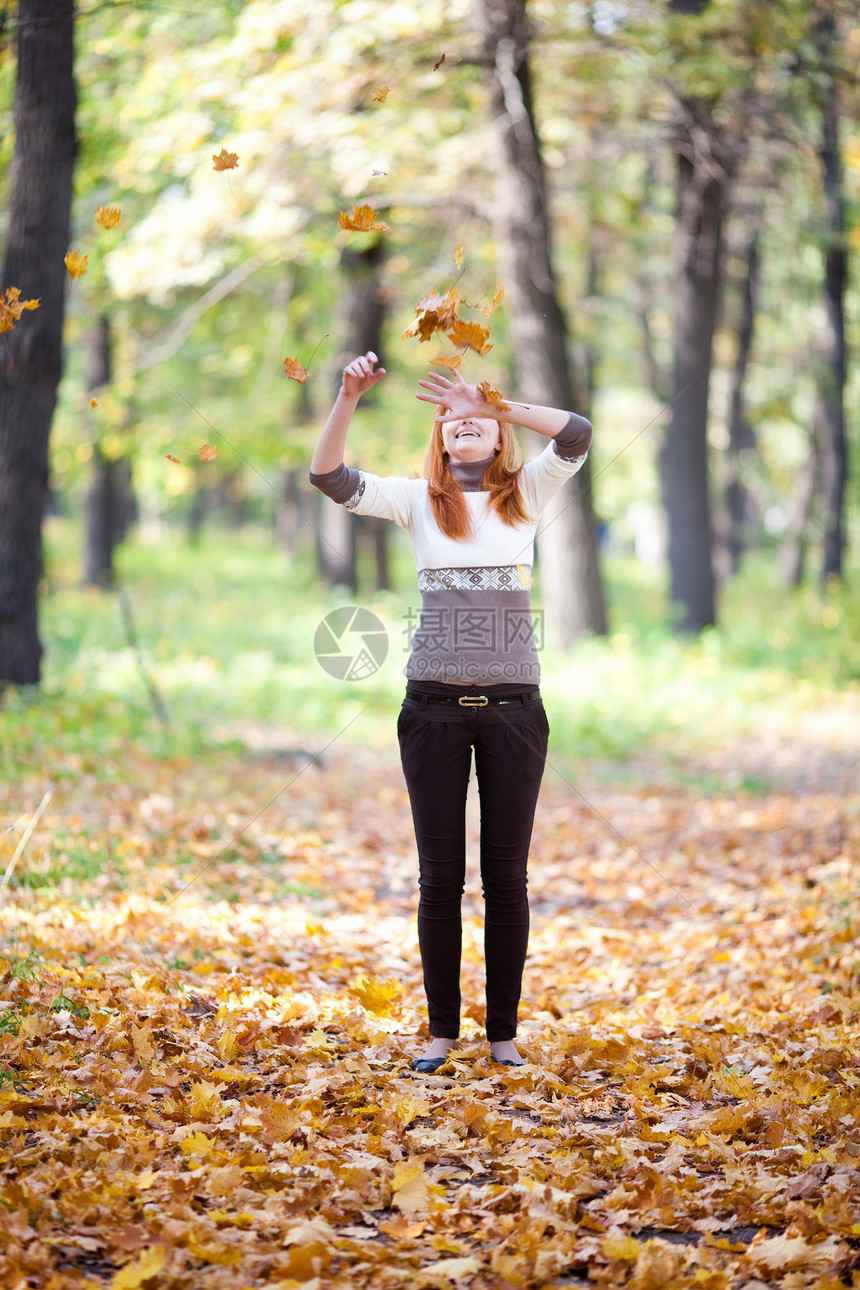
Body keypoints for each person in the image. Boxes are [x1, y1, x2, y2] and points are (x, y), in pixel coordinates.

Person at [309, 352, 592, 1071]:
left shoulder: (526, 493)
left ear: (498, 436)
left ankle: (504, 1036)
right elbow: (328, 477)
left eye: (478, 421)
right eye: (452, 420)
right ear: (438, 438)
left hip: (514, 716)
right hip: (432, 712)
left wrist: (494, 402)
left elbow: (577, 431)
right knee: (439, 879)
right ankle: (441, 1034)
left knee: (507, 881)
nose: (464, 426)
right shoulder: (414, 501)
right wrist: (347, 399)